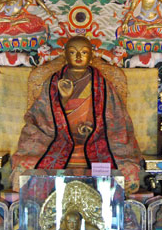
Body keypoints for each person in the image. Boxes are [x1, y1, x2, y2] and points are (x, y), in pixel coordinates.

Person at [11, 36, 142, 191]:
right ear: (65, 55)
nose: (79, 57)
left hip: (97, 144)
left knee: (128, 173)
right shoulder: (53, 82)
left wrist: (92, 130)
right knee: (24, 170)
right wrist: (63, 100)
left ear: (91, 55)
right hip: (55, 143)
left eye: (84, 52)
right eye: (73, 52)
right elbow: (39, 118)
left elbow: (116, 120)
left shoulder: (103, 84)